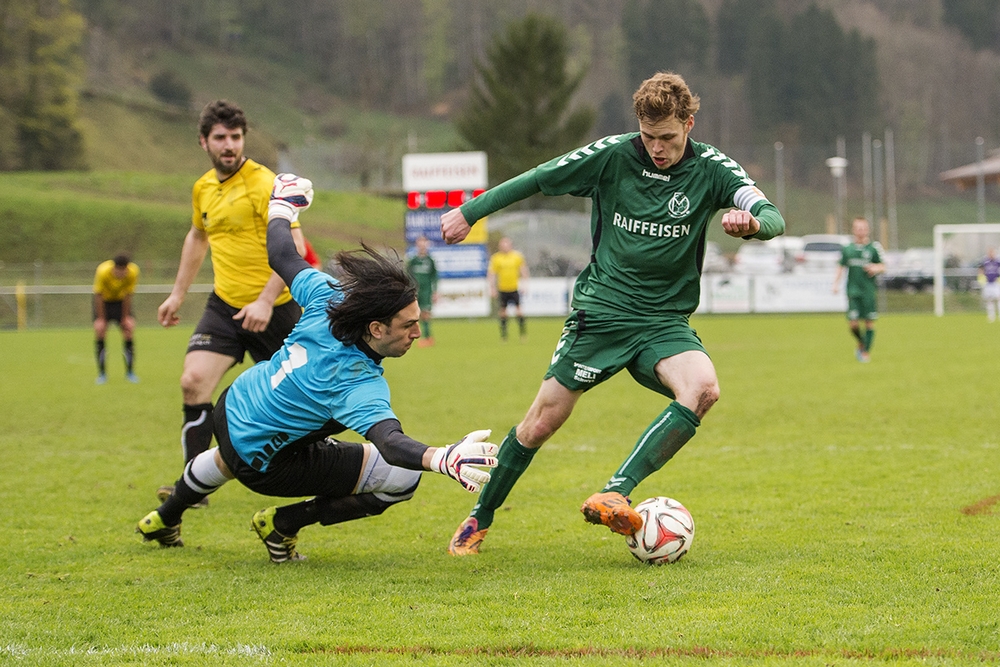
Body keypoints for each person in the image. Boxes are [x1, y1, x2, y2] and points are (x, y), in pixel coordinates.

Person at [439, 71, 785, 555]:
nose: (657, 148)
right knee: (540, 423)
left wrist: (750, 224)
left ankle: (616, 491)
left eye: (667, 138)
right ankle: (480, 518)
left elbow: (773, 216)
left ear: (689, 123)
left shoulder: (713, 170)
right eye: (649, 137)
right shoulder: (613, 155)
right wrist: (471, 211)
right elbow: (539, 177)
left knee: (703, 388)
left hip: (664, 321)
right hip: (601, 312)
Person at [137, 175, 498, 563]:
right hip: (266, 464)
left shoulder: (330, 296)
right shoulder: (355, 382)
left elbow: (281, 255)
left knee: (235, 451)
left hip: (233, 407)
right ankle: (284, 524)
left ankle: (164, 517)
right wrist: (442, 458)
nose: (417, 329)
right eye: (408, 324)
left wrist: (281, 206)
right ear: (376, 329)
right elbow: (391, 445)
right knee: (403, 480)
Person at [155, 100, 307, 505]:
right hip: (224, 306)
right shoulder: (203, 187)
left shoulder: (264, 184)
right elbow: (197, 237)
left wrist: (263, 300)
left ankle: (314, 471)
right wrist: (177, 294)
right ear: (204, 141)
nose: (229, 145)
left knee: (302, 401)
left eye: (236, 137)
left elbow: (295, 246)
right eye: (220, 137)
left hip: (276, 308)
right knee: (193, 382)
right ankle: (194, 485)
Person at [832, 217, 884, 363]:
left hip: (868, 291)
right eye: (858, 228)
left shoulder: (873, 248)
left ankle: (865, 352)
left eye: (863, 228)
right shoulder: (848, 249)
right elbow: (841, 267)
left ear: (867, 230)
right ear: (854, 230)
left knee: (869, 322)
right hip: (853, 291)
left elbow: (883, 266)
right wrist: (835, 284)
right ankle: (862, 343)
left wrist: (875, 268)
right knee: (853, 324)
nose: (860, 231)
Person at [92, 254, 140, 384]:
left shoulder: (133, 271)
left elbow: (128, 295)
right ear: (114, 268)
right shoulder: (103, 271)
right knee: (100, 331)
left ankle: (130, 372)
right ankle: (102, 374)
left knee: (129, 330)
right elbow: (98, 295)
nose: (121, 273)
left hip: (120, 303)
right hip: (104, 303)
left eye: (124, 270)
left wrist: (125, 317)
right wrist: (101, 319)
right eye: (119, 270)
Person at [488, 236, 529, 341]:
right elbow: (492, 274)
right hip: (502, 289)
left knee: (519, 311)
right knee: (503, 312)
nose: (504, 246)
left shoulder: (517, 257)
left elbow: (523, 270)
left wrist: (525, 284)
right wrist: (492, 288)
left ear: (510, 245)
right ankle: (504, 336)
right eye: (502, 245)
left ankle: (522, 334)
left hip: (514, 288)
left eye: (506, 244)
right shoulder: (496, 258)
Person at [406, 235, 438, 346]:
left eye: (423, 243)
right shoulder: (413, 260)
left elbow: (434, 277)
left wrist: (435, 291)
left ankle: (428, 337)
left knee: (425, 314)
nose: (422, 245)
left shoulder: (430, 260)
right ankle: (411, 337)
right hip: (414, 291)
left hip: (426, 291)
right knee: (413, 314)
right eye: (419, 243)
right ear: (417, 245)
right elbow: (408, 275)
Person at [978, 248, 1000, 322]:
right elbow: (980, 270)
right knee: (989, 300)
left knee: (998, 298)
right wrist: (982, 280)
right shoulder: (985, 262)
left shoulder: (997, 262)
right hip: (988, 283)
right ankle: (991, 316)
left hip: (996, 283)